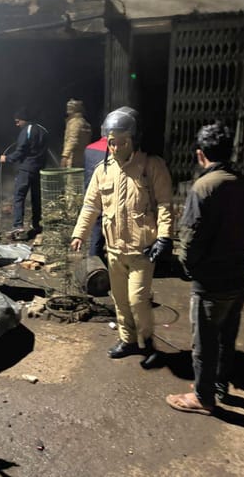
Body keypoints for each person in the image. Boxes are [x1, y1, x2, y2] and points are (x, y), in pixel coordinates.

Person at [166, 122, 244, 415]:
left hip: (211, 281)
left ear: (200, 154)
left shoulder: (203, 187)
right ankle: (220, 386)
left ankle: (202, 396)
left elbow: (190, 238)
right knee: (226, 337)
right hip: (239, 276)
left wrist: (188, 267)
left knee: (204, 342)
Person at [71, 107, 173, 360]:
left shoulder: (152, 166)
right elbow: (91, 206)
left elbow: (164, 204)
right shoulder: (103, 170)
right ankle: (128, 341)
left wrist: (164, 236)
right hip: (114, 249)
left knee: (137, 299)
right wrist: (79, 234)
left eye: (121, 142)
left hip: (142, 250)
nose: (115, 148)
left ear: (135, 139)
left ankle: (146, 342)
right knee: (120, 300)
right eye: (111, 142)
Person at [0, 107, 48, 236]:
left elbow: (21, 151)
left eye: (17, 121)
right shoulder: (43, 130)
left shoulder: (26, 130)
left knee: (19, 196)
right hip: (39, 169)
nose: (17, 124)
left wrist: (7, 158)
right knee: (36, 197)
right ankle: (36, 224)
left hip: (26, 169)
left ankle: (18, 225)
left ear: (24, 120)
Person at [84, 136, 107, 262]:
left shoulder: (89, 148)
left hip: (91, 190)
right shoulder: (115, 150)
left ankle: (95, 256)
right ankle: (95, 259)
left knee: (96, 224)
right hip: (107, 192)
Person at [60, 99, 91, 168]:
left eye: (71, 106)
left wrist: (65, 155)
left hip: (72, 158)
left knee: (71, 174)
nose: (68, 108)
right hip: (81, 157)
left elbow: (72, 139)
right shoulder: (83, 122)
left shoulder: (75, 122)